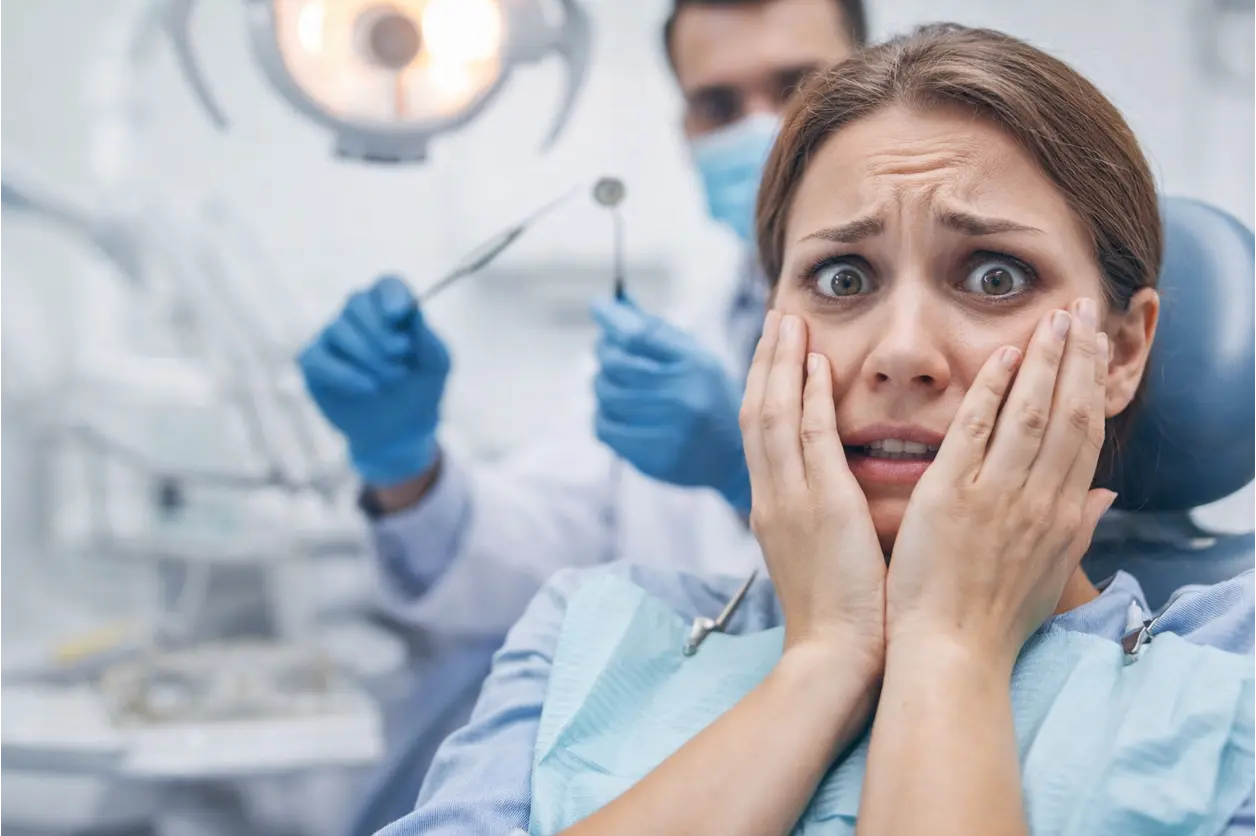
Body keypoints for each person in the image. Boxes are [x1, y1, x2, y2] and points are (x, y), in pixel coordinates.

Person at [373, 24, 1256, 835]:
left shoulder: (1231, 669)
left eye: (994, 276)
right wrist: (824, 657)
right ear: (766, 324)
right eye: (841, 279)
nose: (903, 353)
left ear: (1122, 349)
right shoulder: (583, 636)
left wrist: (949, 646)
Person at [297, 0, 868, 636]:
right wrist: (404, 467)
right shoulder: (657, 357)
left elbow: (954, 598)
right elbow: (522, 571)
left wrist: (752, 477)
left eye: (798, 87)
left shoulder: (958, 334)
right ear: (685, 134)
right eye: (717, 106)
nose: (762, 130)